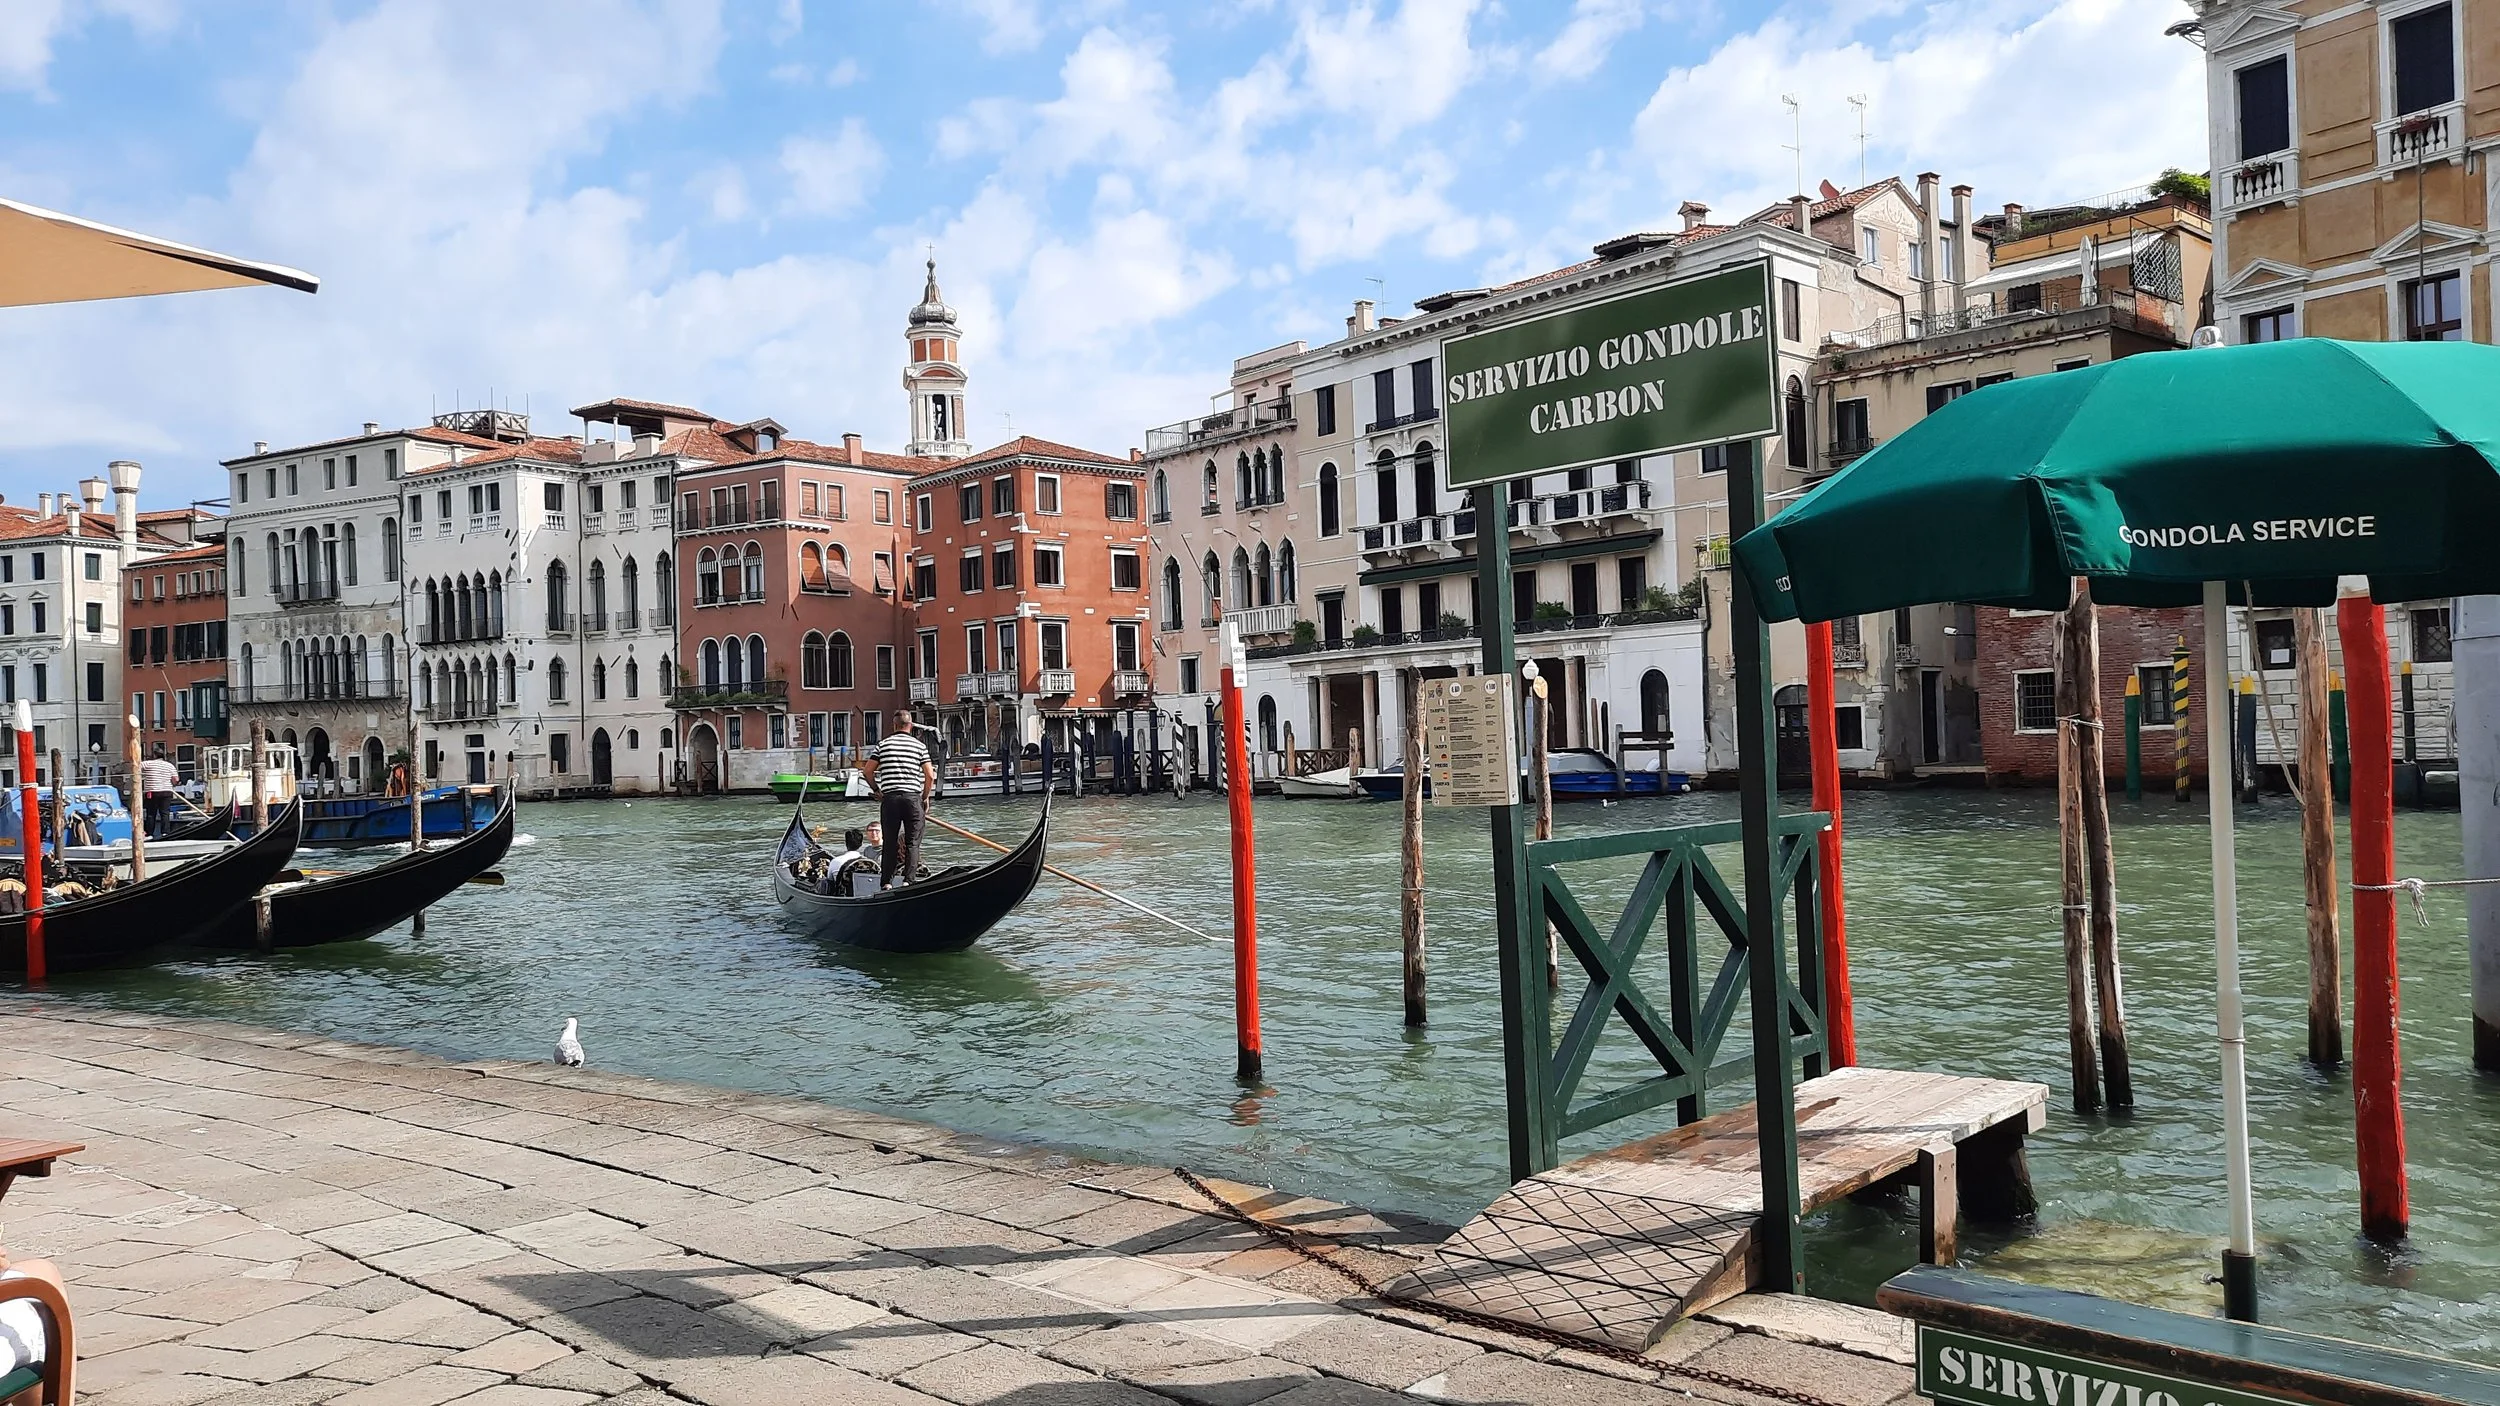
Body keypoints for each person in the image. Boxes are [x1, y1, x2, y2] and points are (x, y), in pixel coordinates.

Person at [863, 710, 935, 889]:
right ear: (910, 726)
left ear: (894, 725)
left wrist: (877, 790)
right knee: (913, 843)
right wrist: (924, 798)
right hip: (912, 799)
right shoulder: (919, 746)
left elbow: (867, 771)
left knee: (890, 841)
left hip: (891, 799)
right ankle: (908, 881)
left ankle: (886, 882)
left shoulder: (883, 745)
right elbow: (930, 776)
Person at [138, 745, 179, 838]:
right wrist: (172, 784)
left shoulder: (147, 764)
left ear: (154, 755)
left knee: (151, 813)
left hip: (152, 791)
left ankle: (149, 834)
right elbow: (176, 779)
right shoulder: (170, 765)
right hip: (167, 791)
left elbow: (136, 767)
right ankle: (165, 833)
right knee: (165, 813)